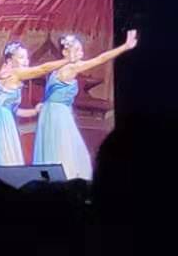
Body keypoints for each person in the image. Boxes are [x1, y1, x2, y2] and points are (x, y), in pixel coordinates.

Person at [33, 30, 138, 182]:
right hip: (58, 114)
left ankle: (53, 181)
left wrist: (44, 104)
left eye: (80, 49)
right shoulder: (71, 68)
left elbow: (52, 92)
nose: (80, 52)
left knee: (53, 147)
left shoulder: (56, 71)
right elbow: (100, 59)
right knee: (64, 147)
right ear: (65, 52)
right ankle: (66, 180)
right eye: (76, 49)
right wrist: (125, 46)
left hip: (50, 112)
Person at [0, 42, 71, 180]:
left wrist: (34, 111)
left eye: (26, 57)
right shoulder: (14, 73)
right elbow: (42, 69)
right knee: (4, 161)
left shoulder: (9, 78)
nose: (26, 61)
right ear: (10, 61)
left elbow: (14, 110)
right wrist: (67, 60)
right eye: (21, 57)